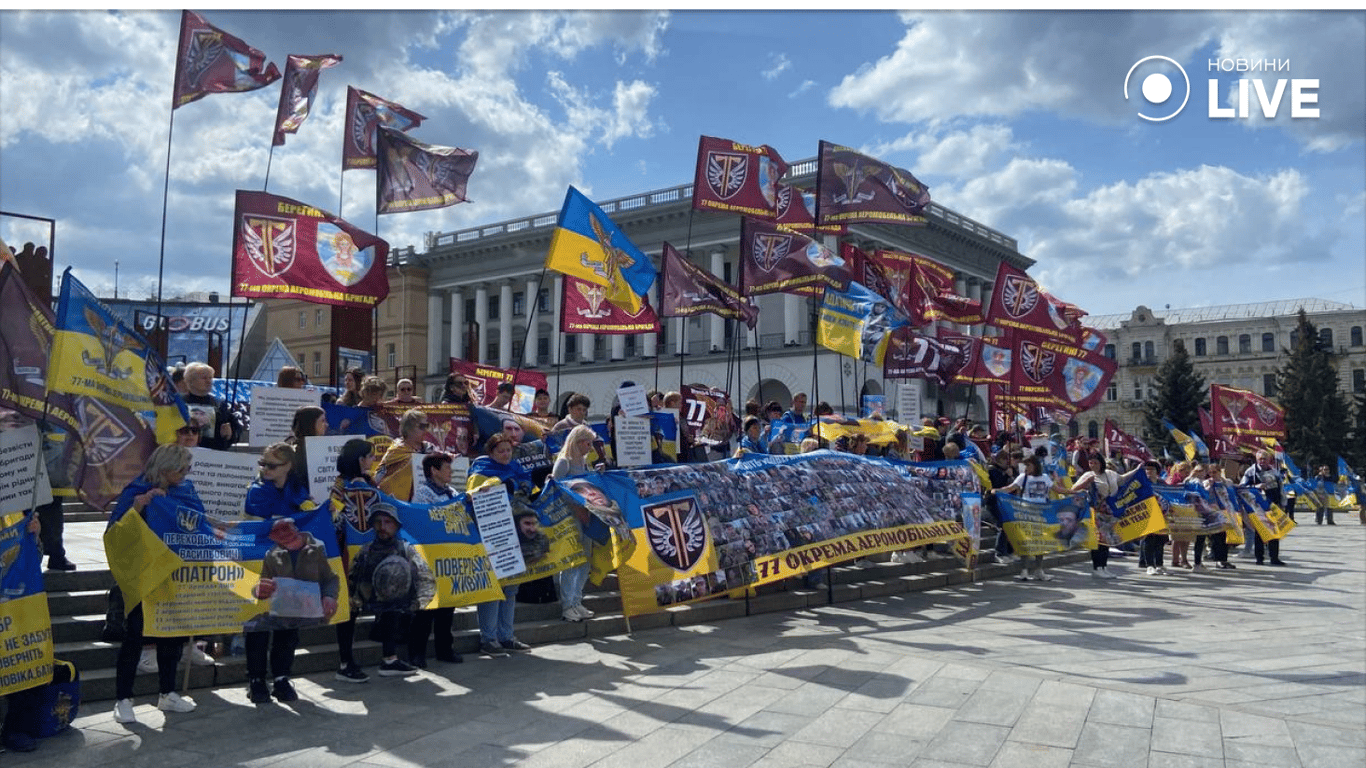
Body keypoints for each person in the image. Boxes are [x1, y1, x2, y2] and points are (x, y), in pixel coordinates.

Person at [108, 444, 198, 724]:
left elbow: (199, 522)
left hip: (174, 573)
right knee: (134, 636)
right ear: (164, 469)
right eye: (181, 469)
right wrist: (138, 507)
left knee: (171, 635)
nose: (186, 474)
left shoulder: (186, 491)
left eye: (188, 469)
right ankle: (123, 699)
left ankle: (167, 693)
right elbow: (115, 533)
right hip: (142, 575)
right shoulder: (135, 491)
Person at [241, 443, 318, 703]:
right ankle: (256, 679)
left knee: (289, 622)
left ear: (288, 466)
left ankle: (282, 677)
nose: (265, 469)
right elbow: (269, 523)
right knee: (259, 623)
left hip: (292, 563)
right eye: (262, 464)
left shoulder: (298, 489)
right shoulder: (257, 491)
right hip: (261, 564)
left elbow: (306, 516)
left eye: (272, 465)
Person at [467, 433, 535, 656]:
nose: (506, 455)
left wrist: (516, 485)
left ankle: (507, 636)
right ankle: (489, 638)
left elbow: (527, 488)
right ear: (491, 452)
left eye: (508, 450)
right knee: (494, 587)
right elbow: (472, 496)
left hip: (515, 533)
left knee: (511, 586)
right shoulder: (480, 469)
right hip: (492, 535)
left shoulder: (516, 468)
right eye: (501, 451)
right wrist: (496, 485)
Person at [348, 502, 434, 677]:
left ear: (396, 525)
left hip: (398, 605)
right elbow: (352, 581)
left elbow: (426, 578)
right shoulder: (365, 552)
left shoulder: (406, 550)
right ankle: (346, 663)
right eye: (378, 522)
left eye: (387, 522)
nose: (382, 527)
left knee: (399, 611)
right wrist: (354, 602)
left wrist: (418, 603)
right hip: (370, 601)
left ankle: (390, 659)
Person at [407, 452, 464, 666]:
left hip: (448, 555)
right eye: (447, 468)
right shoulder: (423, 493)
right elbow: (425, 520)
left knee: (447, 606)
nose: (451, 472)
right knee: (426, 608)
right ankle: (416, 653)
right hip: (428, 558)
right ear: (434, 471)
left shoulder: (452, 492)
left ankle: (444, 649)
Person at [329, 439, 379, 683]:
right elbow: (334, 518)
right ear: (360, 459)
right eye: (370, 456)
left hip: (373, 553)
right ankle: (345, 661)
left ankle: (389, 655)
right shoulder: (340, 485)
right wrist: (358, 491)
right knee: (349, 610)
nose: (373, 461)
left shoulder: (371, 482)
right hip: (348, 556)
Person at [991, 454, 1066, 581]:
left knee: (1040, 542)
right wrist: (996, 490)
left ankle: (1038, 569)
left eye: (1028, 465)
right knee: (1026, 542)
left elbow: (1057, 490)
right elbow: (1010, 488)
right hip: (1026, 513)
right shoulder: (1023, 477)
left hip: (1041, 513)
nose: (1026, 467)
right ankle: (1024, 570)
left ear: (1035, 465)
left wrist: (1074, 491)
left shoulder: (1045, 477)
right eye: (1025, 465)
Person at [1069, 453, 1141, 579]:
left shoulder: (1110, 473)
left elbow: (1122, 479)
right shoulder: (1088, 475)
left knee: (1106, 541)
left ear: (1101, 463)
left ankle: (1104, 567)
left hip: (1110, 511)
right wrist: (1086, 483)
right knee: (1099, 540)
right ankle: (1097, 567)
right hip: (1096, 512)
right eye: (1091, 463)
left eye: (1095, 463)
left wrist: (1136, 470)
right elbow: (1074, 488)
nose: (1093, 465)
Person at [551, 425, 597, 622]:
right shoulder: (564, 462)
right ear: (578, 442)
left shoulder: (585, 462)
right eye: (588, 442)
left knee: (585, 559)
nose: (590, 446)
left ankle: (577, 600)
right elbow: (555, 489)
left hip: (586, 514)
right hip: (569, 516)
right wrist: (576, 508)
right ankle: (567, 604)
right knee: (571, 560)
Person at [376, 409, 435, 501]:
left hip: (424, 503)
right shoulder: (396, 450)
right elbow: (378, 477)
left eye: (427, 426)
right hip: (398, 503)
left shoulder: (429, 448)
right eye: (422, 426)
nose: (426, 430)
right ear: (408, 428)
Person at [1241, 451, 1287, 566]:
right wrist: (1255, 487)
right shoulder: (1250, 472)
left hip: (1273, 505)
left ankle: (1274, 557)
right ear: (1256, 459)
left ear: (1269, 460)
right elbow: (1242, 487)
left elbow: (1281, 488)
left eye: (1265, 459)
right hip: (1258, 507)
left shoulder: (1275, 472)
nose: (1262, 461)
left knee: (1274, 531)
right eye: (1260, 459)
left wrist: (1283, 503)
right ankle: (1259, 558)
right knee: (1259, 533)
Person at [181, 362, 240, 450]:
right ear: (190, 381)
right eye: (204, 378)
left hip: (213, 456)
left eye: (210, 378)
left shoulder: (220, 404)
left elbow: (236, 431)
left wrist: (231, 434)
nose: (208, 381)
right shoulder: (179, 402)